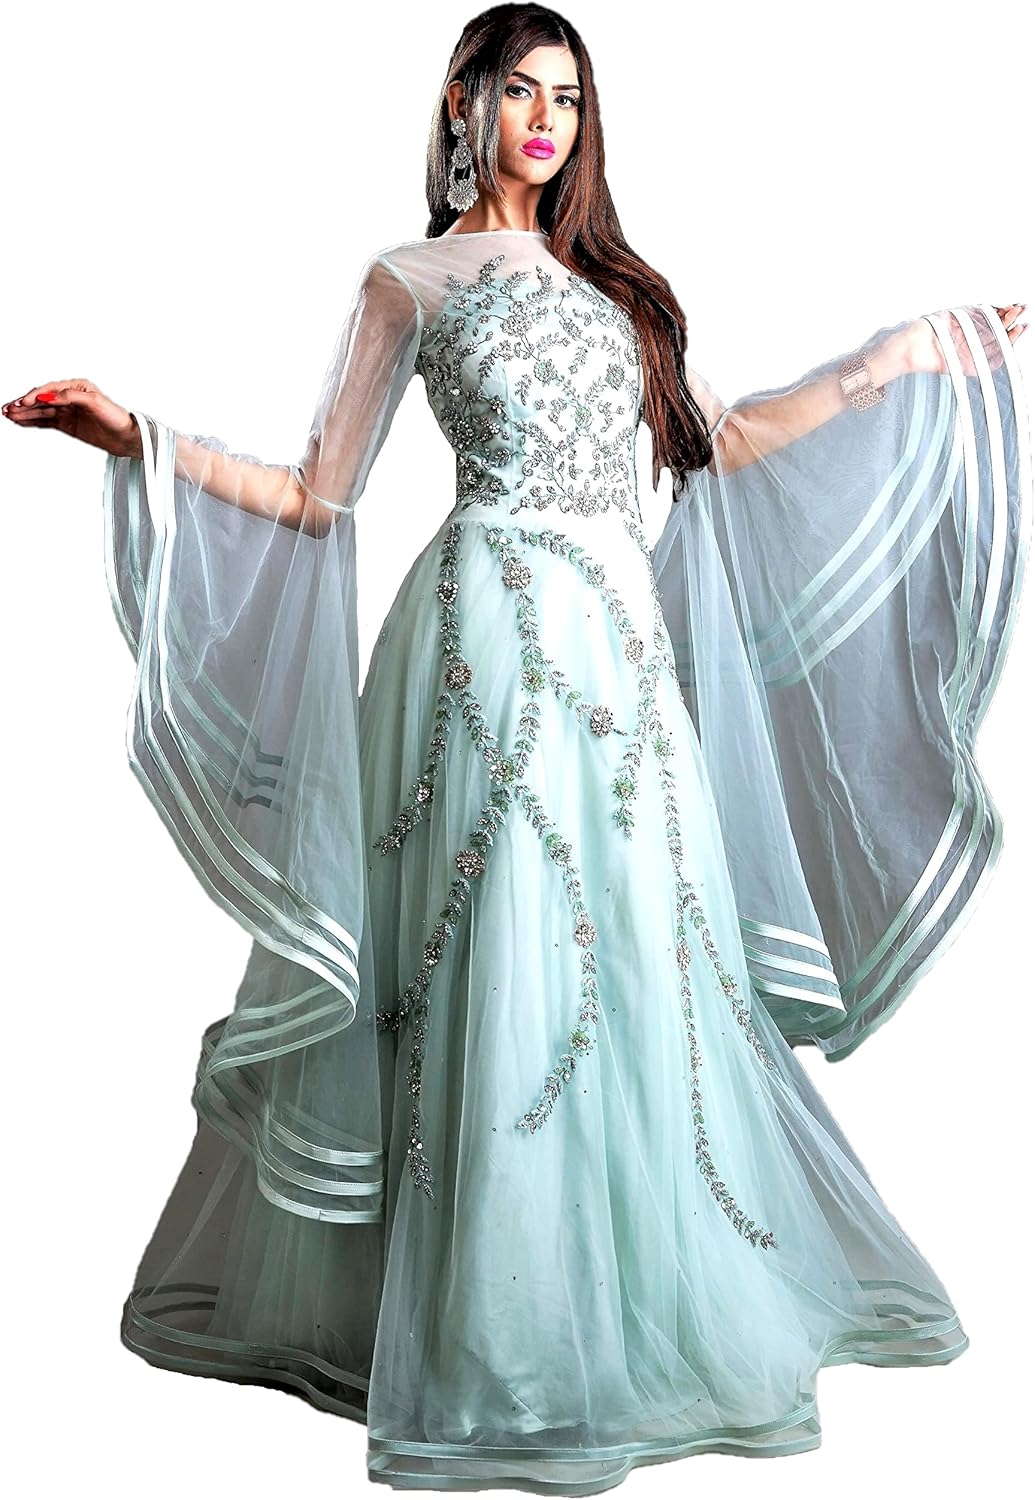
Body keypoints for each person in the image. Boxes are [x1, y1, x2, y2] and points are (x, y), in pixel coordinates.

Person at [4, 3, 1029, 1493]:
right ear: (462, 101)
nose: (548, 121)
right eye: (523, 90)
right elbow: (318, 492)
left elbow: (725, 441)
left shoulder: (619, 287)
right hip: (479, 642)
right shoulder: (407, 279)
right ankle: (483, 1341)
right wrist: (135, 437)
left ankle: (615, 1320)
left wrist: (895, 360)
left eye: (570, 98)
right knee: (492, 956)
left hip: (619, 664)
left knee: (634, 965)